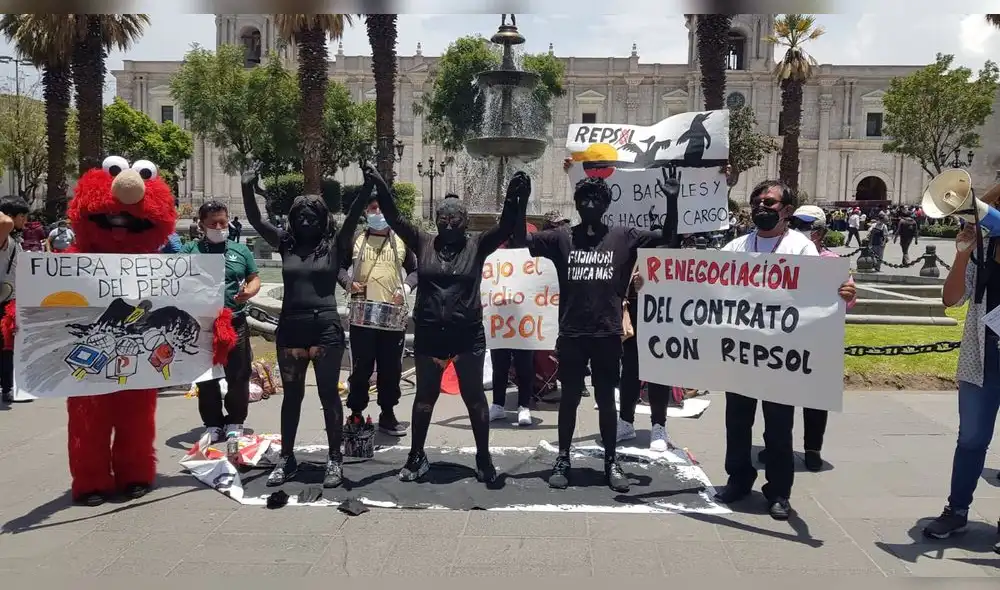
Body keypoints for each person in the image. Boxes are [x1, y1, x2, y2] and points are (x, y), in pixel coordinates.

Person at [516, 166, 681, 493]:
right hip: (572, 334)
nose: (590, 203)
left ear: (606, 204)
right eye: (584, 198)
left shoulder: (623, 236)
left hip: (606, 334)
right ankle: (563, 457)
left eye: (596, 198)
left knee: (606, 399)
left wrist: (672, 202)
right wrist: (520, 203)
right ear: (576, 203)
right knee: (569, 399)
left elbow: (668, 238)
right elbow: (521, 239)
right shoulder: (561, 238)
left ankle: (610, 460)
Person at [363, 163, 527, 485]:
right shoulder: (423, 242)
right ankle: (416, 455)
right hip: (429, 335)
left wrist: (513, 196)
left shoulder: (477, 245)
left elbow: (506, 227)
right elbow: (395, 219)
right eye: (443, 218)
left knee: (474, 398)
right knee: (424, 399)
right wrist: (381, 186)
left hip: (467, 336)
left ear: (465, 222)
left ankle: (483, 457)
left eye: (455, 219)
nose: (449, 223)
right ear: (436, 220)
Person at [713, 181, 856, 521]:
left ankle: (778, 491)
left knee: (778, 427)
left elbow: (821, 293)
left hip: (781, 356)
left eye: (770, 202)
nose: (761, 207)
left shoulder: (801, 248)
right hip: (741, 352)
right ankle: (738, 479)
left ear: (787, 210)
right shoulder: (735, 246)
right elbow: (706, 287)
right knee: (737, 422)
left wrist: (844, 292)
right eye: (757, 201)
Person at [241, 167, 367, 489]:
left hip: (325, 328)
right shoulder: (286, 243)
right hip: (291, 328)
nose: (306, 222)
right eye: (301, 217)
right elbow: (256, 221)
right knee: (292, 397)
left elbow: (353, 217)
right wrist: (247, 188)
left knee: (329, 395)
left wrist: (368, 186)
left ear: (323, 219)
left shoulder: (335, 245)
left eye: (312, 217)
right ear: (293, 220)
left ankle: (335, 459)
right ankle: (287, 458)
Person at [923, 213, 1000, 540]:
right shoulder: (984, 245)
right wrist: (962, 253)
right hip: (981, 358)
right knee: (970, 439)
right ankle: (957, 510)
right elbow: (951, 299)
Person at [339, 192, 418, 437]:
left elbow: (416, 270)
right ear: (366, 212)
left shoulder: (401, 240)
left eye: (382, 208)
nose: (378, 213)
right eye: (373, 208)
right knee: (360, 367)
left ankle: (388, 412)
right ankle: (356, 412)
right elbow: (338, 267)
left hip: (392, 315)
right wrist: (348, 283)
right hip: (362, 314)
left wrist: (406, 288)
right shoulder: (356, 239)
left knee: (391, 368)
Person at [183, 200, 261, 444]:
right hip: (202, 324)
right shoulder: (189, 251)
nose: (219, 227)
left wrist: (250, 291)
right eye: (213, 223)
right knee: (206, 375)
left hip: (234, 321)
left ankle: (235, 421)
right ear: (202, 225)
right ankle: (213, 423)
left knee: (239, 374)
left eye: (222, 222)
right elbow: (174, 279)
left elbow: (254, 278)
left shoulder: (240, 251)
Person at [488, 222, 537, 427]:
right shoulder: (496, 251)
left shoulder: (534, 253)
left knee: (525, 364)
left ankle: (523, 405)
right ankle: (498, 404)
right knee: (499, 364)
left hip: (525, 318)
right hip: (501, 317)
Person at [0, 197, 27, 405]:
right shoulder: (4, 237)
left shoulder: (14, 239)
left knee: (8, 347)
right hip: (3, 300)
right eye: (22, 216)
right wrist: (6, 212)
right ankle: (8, 388)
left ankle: (9, 386)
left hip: (10, 300)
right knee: (6, 348)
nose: (25, 220)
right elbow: (5, 222)